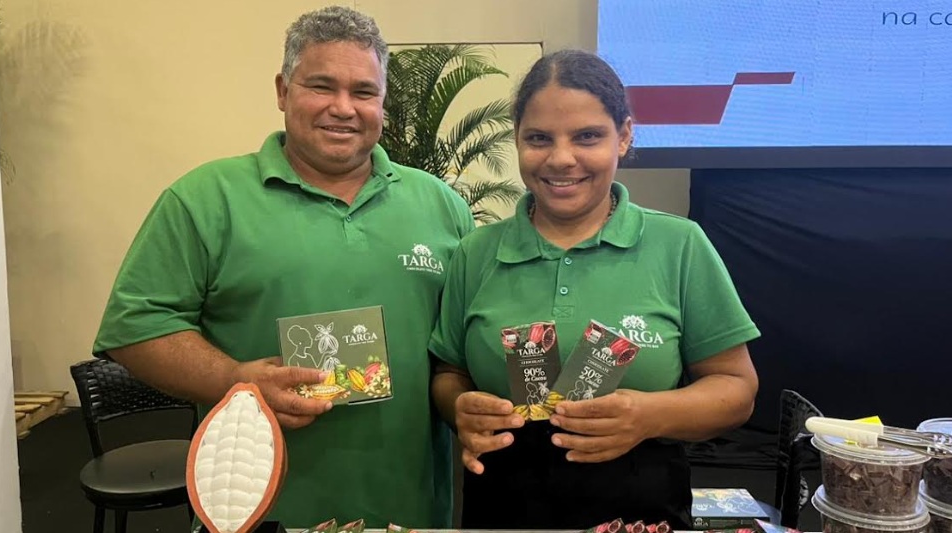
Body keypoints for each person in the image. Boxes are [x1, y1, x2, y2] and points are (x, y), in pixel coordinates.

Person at [92, 6, 474, 528]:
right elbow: (134, 330)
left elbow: (464, 344)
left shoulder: (440, 206)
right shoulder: (205, 200)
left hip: (409, 506)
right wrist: (234, 378)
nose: (344, 108)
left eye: (363, 92)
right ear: (282, 90)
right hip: (260, 507)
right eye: (321, 86)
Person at [429, 50, 760, 529]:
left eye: (587, 136)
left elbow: (737, 389)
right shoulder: (475, 253)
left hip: (642, 513)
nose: (562, 159)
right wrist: (458, 407)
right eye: (539, 139)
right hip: (504, 512)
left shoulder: (680, 245)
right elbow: (449, 372)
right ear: (517, 141)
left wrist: (648, 414)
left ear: (623, 136)